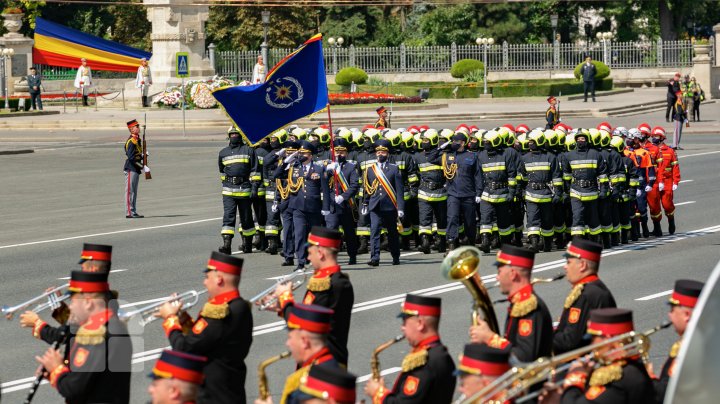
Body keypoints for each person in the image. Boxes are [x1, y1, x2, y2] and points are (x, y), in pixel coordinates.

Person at [157, 252, 253, 404]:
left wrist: (170, 319)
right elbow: (205, 339)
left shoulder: (221, 312)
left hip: (214, 396)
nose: (205, 283)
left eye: (207, 277)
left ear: (219, 279)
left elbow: (184, 348)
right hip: (229, 391)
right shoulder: (238, 306)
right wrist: (183, 319)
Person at [35, 271, 132, 404]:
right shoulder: (102, 327)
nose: (72, 306)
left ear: (88, 302)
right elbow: (90, 377)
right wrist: (55, 370)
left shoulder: (98, 335)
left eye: (73, 301)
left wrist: (57, 370)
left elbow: (75, 389)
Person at [272, 226, 355, 366]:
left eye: (310, 252)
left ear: (321, 253)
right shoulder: (322, 281)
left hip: (326, 364)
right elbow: (308, 311)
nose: (308, 257)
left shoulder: (335, 284)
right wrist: (281, 306)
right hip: (313, 360)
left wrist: (286, 298)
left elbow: (307, 322)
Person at [364, 294, 456, 403]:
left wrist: (378, 393)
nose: (402, 327)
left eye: (405, 320)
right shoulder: (439, 354)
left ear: (420, 323)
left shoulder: (425, 362)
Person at [470, 244, 553, 363]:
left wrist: (490, 338)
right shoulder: (519, 303)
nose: (497, 278)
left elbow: (524, 358)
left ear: (513, 274)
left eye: (499, 272)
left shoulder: (528, 306)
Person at [551, 308, 655, 404]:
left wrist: (574, 377)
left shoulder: (620, 376)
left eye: (593, 337)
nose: (592, 344)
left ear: (608, 339)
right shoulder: (632, 365)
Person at [255, 304, 340, 404]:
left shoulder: (299, 381)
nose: (288, 343)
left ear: (304, 341)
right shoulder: (337, 368)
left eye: (290, 337)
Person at [553, 238, 616, 354]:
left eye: (568, 262)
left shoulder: (586, 294)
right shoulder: (593, 288)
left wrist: (542, 335)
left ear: (582, 265)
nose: (565, 267)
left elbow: (570, 342)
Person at [275, 140, 330, 270]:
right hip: (297, 207)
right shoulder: (294, 167)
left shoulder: (318, 168)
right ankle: (300, 261)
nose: (301, 155)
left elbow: (325, 189)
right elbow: (277, 175)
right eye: (300, 153)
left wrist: (326, 207)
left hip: (314, 207)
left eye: (304, 153)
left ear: (310, 155)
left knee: (315, 236)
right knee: (299, 234)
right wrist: (288, 160)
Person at [650, 279, 704, 404]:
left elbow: (667, 393)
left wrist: (650, 378)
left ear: (686, 315)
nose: (669, 315)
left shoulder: (692, 351)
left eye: (672, 309)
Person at [519, 129, 564, 252]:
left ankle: (547, 244)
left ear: (539, 142)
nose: (529, 144)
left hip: (546, 194)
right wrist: (522, 191)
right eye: (529, 142)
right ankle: (534, 243)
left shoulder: (550, 157)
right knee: (532, 218)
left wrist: (558, 193)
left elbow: (556, 176)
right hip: (531, 194)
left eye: (532, 142)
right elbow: (522, 177)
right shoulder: (525, 158)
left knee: (547, 220)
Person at [362, 139, 404, 266]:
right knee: (374, 232)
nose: (380, 154)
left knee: (392, 233)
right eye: (378, 152)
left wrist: (400, 208)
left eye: (383, 152)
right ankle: (375, 258)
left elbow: (399, 190)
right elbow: (367, 188)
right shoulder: (370, 169)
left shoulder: (394, 169)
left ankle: (395, 256)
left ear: (388, 154)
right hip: (375, 206)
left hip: (390, 206)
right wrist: (365, 203)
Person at [561, 129, 608, 241]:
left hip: (592, 191)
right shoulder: (569, 155)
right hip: (576, 191)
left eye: (582, 139)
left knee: (593, 218)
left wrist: (603, 190)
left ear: (587, 140)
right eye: (578, 139)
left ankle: (595, 240)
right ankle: (578, 241)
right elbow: (566, 176)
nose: (580, 141)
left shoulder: (595, 154)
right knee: (577, 216)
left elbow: (602, 174)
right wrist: (567, 191)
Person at [477, 130, 518, 252]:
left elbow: (512, 174)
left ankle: (505, 244)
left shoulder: (505, 154)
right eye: (484, 142)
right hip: (487, 193)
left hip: (502, 193)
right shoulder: (481, 155)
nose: (485, 145)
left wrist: (511, 192)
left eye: (488, 143)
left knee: (503, 221)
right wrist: (478, 193)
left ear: (495, 143)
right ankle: (485, 242)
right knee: (485, 218)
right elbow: (479, 176)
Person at [218, 127, 258, 254]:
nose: (234, 136)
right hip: (228, 191)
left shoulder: (249, 150)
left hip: (245, 189)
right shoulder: (223, 152)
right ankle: (226, 245)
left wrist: (254, 187)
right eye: (232, 134)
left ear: (241, 136)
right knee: (228, 217)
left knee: (246, 218)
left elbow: (255, 170)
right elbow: (221, 170)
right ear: (228, 136)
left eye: (236, 134)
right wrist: (226, 182)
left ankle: (247, 244)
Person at [324, 138, 361, 264]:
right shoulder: (328, 166)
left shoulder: (351, 167)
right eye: (337, 151)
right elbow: (322, 183)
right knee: (331, 232)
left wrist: (343, 197)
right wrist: (327, 171)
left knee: (349, 232)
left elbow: (354, 186)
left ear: (346, 153)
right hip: (332, 205)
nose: (339, 154)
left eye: (342, 152)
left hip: (346, 205)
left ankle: (352, 255)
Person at [647, 127, 680, 236]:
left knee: (667, 204)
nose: (654, 139)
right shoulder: (650, 150)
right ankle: (657, 228)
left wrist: (676, 181)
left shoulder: (670, 151)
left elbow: (675, 167)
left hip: (667, 181)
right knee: (654, 205)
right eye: (653, 136)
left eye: (656, 136)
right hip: (654, 181)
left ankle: (671, 220)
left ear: (662, 138)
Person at [124, 119, 147, 218]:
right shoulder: (131, 141)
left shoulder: (137, 139)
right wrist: (141, 165)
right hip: (131, 168)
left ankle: (133, 211)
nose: (138, 128)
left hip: (136, 168)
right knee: (130, 191)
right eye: (136, 127)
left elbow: (137, 154)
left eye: (138, 126)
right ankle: (129, 212)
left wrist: (143, 156)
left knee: (134, 191)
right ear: (131, 129)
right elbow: (131, 157)